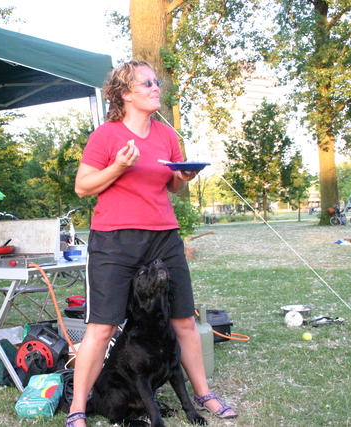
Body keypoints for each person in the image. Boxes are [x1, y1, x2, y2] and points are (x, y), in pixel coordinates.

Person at [65, 60, 237, 427]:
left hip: (163, 237)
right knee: (103, 327)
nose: (156, 87)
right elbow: (83, 186)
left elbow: (171, 184)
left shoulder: (166, 136)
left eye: (156, 82)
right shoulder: (106, 136)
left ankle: (203, 394)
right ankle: (78, 408)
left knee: (184, 320)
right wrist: (118, 168)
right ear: (126, 94)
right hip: (114, 241)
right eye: (146, 83)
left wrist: (184, 176)